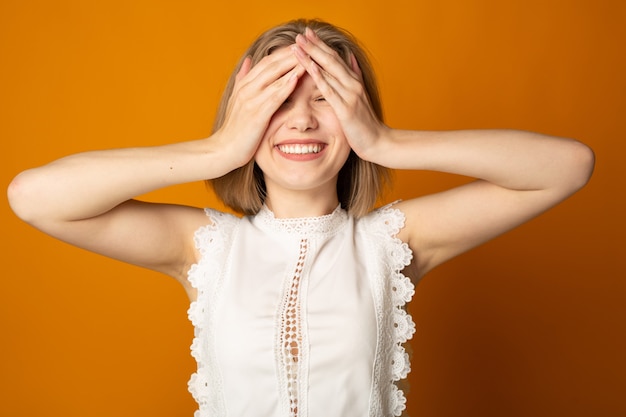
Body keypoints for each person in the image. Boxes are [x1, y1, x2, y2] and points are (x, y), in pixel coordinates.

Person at [7, 18, 594, 417]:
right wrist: (217, 150)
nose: (302, 121)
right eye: (278, 100)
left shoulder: (393, 243)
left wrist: (388, 142)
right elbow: (34, 196)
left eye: (325, 98)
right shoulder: (206, 247)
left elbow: (567, 165)